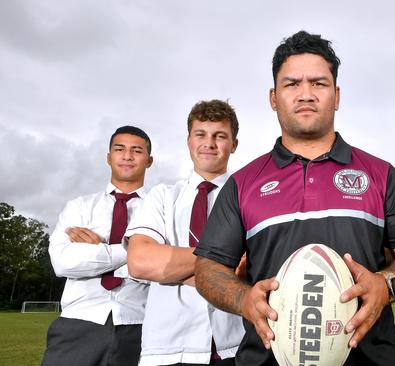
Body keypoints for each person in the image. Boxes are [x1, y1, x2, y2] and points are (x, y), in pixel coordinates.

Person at [192, 30, 395, 366]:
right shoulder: (243, 183)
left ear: (336, 96)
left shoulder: (380, 174)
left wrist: (386, 284)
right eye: (292, 84)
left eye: (318, 84)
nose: (305, 94)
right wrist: (244, 298)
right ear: (273, 98)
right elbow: (207, 268)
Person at [125, 99, 245, 366]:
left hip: (235, 345)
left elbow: (254, 267)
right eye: (200, 134)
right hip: (169, 347)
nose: (209, 143)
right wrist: (223, 263)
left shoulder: (248, 198)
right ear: (189, 140)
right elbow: (141, 261)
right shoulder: (163, 197)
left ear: (233, 144)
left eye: (220, 136)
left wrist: (174, 265)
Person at [43, 126, 153, 366]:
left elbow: (163, 269)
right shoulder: (78, 207)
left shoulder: (161, 209)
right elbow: (63, 262)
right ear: (108, 157)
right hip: (78, 322)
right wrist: (135, 251)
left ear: (149, 160)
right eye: (119, 149)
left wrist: (97, 251)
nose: (127, 156)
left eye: (137, 150)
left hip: (141, 325)